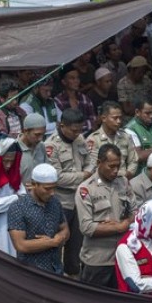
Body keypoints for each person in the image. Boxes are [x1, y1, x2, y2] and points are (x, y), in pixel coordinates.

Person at [75, 143, 135, 288]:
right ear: (98, 163)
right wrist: (120, 227)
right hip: (97, 260)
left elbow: (135, 213)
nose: (115, 171)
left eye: (118, 166)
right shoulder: (86, 189)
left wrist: (122, 224)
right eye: (111, 166)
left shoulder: (124, 183)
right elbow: (86, 227)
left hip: (122, 257)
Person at [45, 108, 93, 277]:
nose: (77, 133)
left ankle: (73, 275)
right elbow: (56, 177)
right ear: (62, 125)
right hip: (61, 201)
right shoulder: (51, 145)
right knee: (57, 242)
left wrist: (86, 172)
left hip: (80, 200)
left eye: (80, 129)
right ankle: (55, 277)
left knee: (76, 245)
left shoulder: (80, 139)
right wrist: (83, 176)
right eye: (73, 130)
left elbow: (90, 161)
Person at [7, 163, 69, 274]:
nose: (52, 193)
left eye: (54, 188)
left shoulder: (55, 203)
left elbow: (65, 229)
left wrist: (60, 237)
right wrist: (52, 242)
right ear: (34, 184)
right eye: (47, 189)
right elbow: (20, 245)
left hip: (56, 269)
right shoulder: (18, 207)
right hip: (31, 273)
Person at [86, 100, 138, 179]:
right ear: (104, 118)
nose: (119, 121)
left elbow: (133, 160)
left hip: (124, 182)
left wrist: (128, 174)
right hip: (103, 183)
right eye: (115, 118)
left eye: (120, 118)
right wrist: (120, 175)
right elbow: (93, 167)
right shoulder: (93, 139)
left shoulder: (125, 136)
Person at [124, 95, 152, 171]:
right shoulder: (130, 129)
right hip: (141, 175)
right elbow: (139, 156)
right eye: (147, 113)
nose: (151, 116)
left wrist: (150, 151)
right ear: (137, 112)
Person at [53, 66, 95, 133]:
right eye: (72, 78)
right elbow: (63, 125)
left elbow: (93, 120)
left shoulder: (85, 99)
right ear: (64, 82)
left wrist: (75, 126)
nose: (76, 81)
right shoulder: (58, 101)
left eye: (77, 78)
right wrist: (84, 125)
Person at [17, 113, 47, 186]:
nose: (40, 138)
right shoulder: (14, 151)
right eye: (37, 135)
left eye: (43, 134)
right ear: (26, 131)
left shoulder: (41, 146)